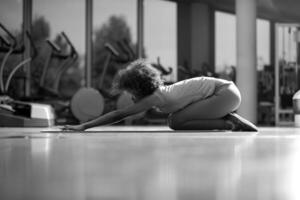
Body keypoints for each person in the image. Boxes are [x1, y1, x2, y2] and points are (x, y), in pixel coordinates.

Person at [62, 59, 257, 132]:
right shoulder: (160, 94)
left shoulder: (154, 97)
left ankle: (229, 123)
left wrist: (84, 126)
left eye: (131, 92)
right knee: (176, 118)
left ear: (139, 88)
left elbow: (119, 114)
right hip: (225, 92)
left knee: (176, 121)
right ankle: (226, 119)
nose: (130, 97)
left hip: (225, 94)